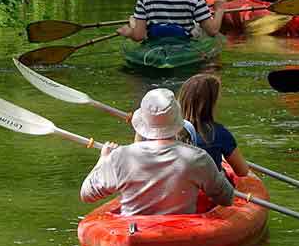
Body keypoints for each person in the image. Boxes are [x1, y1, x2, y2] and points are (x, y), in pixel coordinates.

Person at [80, 89, 238, 216]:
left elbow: (87, 195)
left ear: (143, 122)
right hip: (180, 233)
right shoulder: (197, 158)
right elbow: (227, 198)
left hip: (133, 229)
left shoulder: (120, 156)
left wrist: (103, 159)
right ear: (177, 121)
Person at [177, 74, 251, 175]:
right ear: (211, 104)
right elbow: (242, 171)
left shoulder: (168, 132)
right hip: (210, 188)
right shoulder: (220, 134)